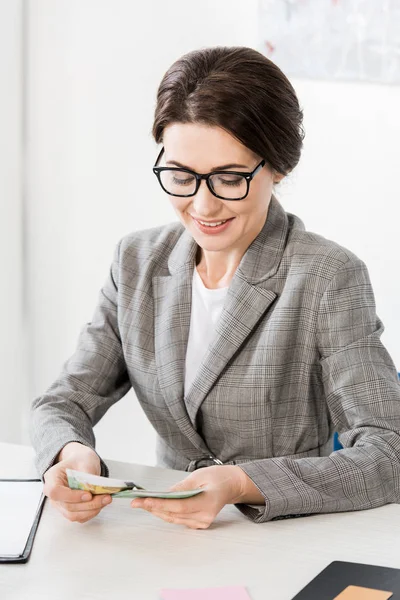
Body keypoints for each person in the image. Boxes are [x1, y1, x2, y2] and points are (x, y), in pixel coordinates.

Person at [30, 46, 400, 529]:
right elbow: (63, 401)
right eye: (181, 176)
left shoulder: (327, 275)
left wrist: (242, 482)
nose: (202, 206)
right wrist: (70, 454)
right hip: (167, 538)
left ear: (278, 167)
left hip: (284, 537)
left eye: (228, 178)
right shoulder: (137, 261)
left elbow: (388, 453)